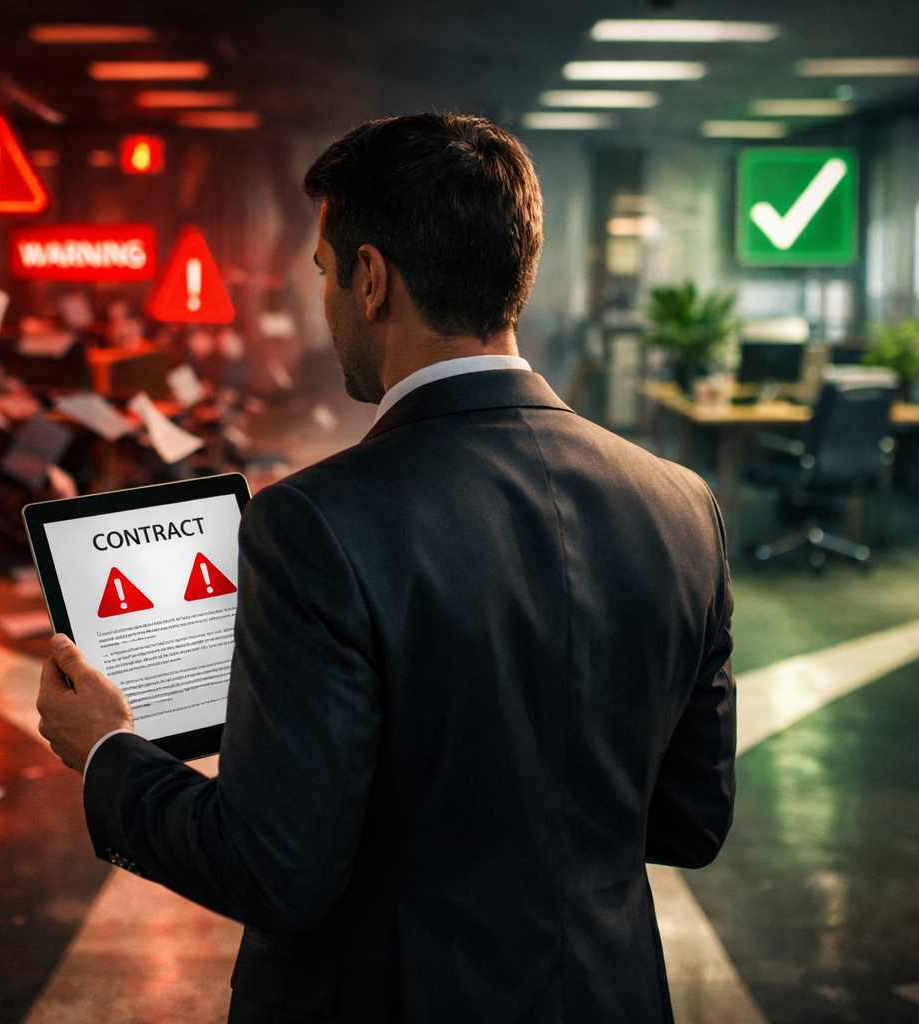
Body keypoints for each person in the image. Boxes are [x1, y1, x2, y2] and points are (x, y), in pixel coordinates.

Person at [38, 113, 735, 1023]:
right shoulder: (683, 506)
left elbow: (275, 869)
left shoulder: (314, 523)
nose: (326, 302)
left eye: (326, 273)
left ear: (372, 280)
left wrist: (104, 753)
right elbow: (689, 821)